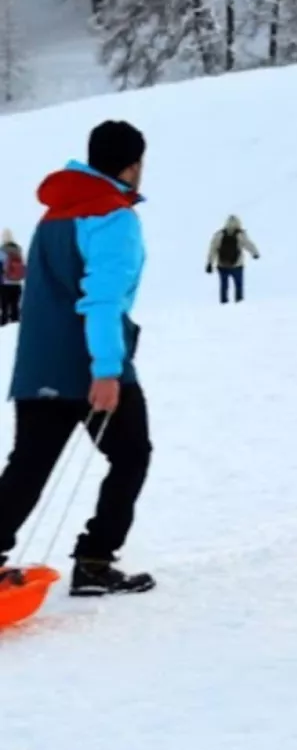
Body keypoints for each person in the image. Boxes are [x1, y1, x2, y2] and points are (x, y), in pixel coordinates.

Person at [0, 121, 155, 596]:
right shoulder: (113, 217)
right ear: (132, 165)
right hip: (91, 362)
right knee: (130, 455)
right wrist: (107, 370)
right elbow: (103, 301)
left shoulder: (55, 214)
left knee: (28, 465)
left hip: (40, 364)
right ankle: (94, 560)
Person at [206, 215, 260, 304]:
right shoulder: (240, 234)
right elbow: (248, 244)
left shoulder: (219, 235)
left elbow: (212, 250)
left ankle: (223, 303)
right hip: (237, 265)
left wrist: (209, 263)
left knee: (224, 286)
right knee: (238, 285)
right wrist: (255, 254)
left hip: (222, 265)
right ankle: (239, 303)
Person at [0, 230, 24, 326]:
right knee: (15, 305)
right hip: (17, 283)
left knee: (4, 305)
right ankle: (15, 321)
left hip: (5, 283)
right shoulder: (18, 249)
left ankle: (4, 322)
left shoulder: (2, 250)